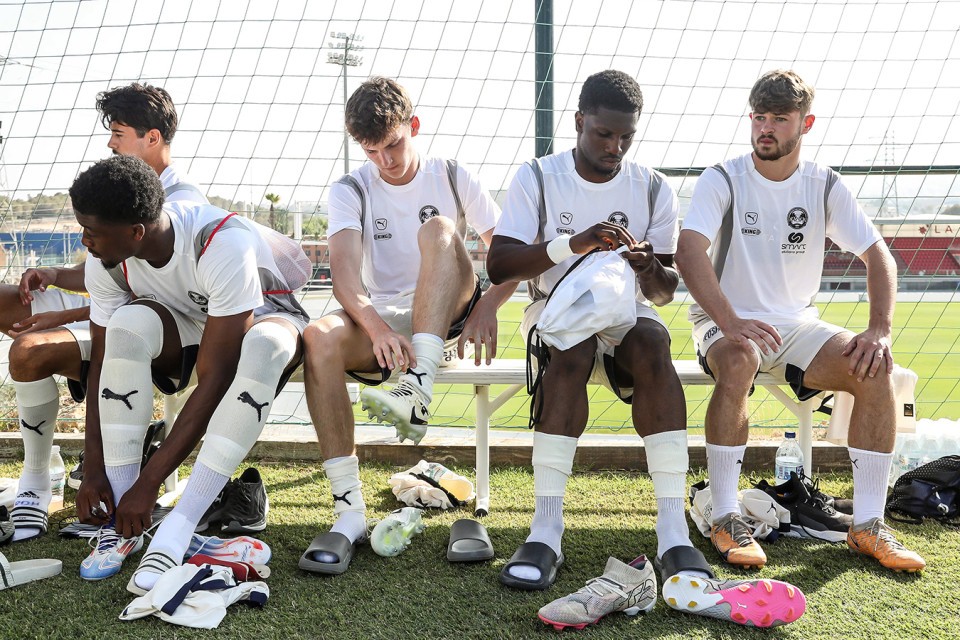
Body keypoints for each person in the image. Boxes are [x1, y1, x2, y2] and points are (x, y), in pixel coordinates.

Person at [486, 70, 804, 628]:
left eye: (625, 138)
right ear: (580, 120)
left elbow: (661, 292)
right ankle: (545, 531)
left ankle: (672, 531)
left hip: (626, 312)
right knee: (573, 350)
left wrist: (647, 266)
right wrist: (575, 242)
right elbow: (500, 262)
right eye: (604, 134)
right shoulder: (538, 176)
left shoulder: (653, 185)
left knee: (655, 340)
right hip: (556, 309)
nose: (614, 148)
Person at [674, 69, 925, 573]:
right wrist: (731, 320)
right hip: (724, 321)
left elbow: (879, 255)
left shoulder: (824, 183)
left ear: (805, 123)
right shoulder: (723, 178)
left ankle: (868, 525)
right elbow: (688, 251)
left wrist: (879, 329)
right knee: (741, 358)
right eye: (759, 117)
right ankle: (724, 514)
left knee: (875, 367)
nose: (765, 128)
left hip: (796, 323)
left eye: (779, 119)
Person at [298, 76, 515, 575]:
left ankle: (417, 386)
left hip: (453, 308)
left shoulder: (453, 174)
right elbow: (346, 282)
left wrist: (488, 307)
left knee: (438, 227)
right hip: (390, 318)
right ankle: (349, 513)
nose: (385, 160)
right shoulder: (351, 188)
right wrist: (375, 328)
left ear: (412, 126)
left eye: (393, 144)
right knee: (318, 337)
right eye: (371, 151)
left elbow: (509, 256)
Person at [66, 154, 309, 590]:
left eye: (93, 231)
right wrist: (96, 470)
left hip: (262, 314)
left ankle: (180, 525)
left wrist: (152, 481)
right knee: (123, 328)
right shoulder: (104, 258)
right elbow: (101, 361)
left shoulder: (220, 242)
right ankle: (127, 523)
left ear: (136, 232)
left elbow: (217, 377)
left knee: (264, 349)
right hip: (186, 321)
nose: (85, 240)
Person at [3, 83, 208, 543]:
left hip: (154, 333)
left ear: (151, 138)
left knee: (30, 350)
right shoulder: (116, 192)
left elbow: (143, 289)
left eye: (119, 133)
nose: (111, 143)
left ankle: (43, 479)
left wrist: (61, 317)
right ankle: (44, 474)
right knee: (5, 303)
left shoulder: (180, 204)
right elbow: (105, 267)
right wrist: (55, 272)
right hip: (108, 312)